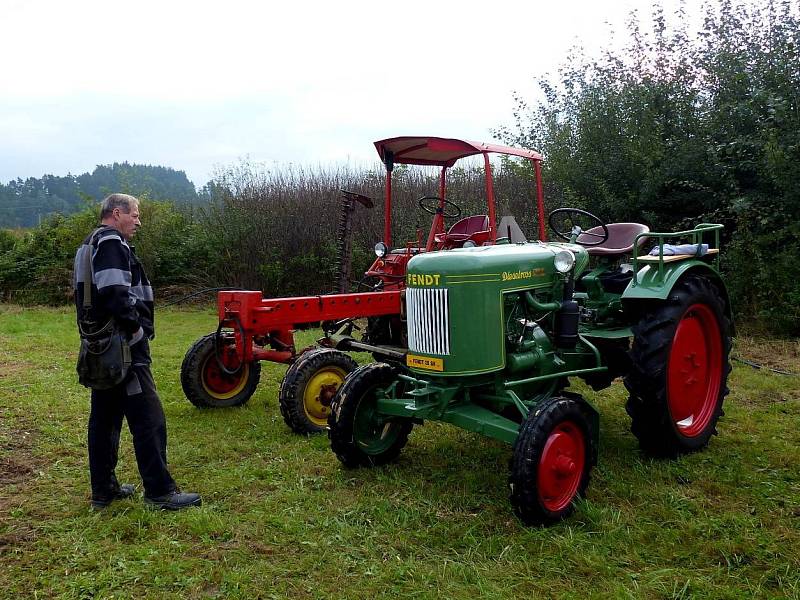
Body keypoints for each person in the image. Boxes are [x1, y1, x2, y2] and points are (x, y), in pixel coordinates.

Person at [73, 193, 201, 510]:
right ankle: (160, 492)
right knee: (149, 418)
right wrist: (136, 328)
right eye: (136, 214)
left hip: (101, 348)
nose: (139, 221)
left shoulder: (88, 243)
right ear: (117, 213)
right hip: (124, 349)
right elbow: (116, 293)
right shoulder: (112, 241)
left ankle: (104, 492)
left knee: (104, 419)